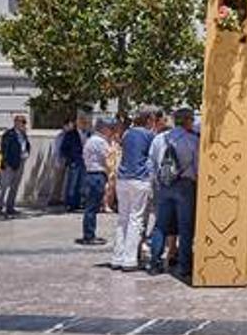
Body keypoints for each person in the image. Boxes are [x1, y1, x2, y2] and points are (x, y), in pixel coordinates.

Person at [148, 107, 199, 281]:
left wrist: (158, 181)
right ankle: (184, 266)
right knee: (185, 227)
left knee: (160, 225)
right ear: (187, 121)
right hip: (184, 185)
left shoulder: (159, 138)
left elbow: (151, 163)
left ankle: (154, 263)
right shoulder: (192, 140)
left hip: (164, 185)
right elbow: (197, 166)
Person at [111, 107, 158, 271]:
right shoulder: (149, 135)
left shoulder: (127, 134)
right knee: (136, 219)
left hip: (123, 178)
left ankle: (117, 257)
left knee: (122, 219)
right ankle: (129, 259)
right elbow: (152, 157)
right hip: (139, 179)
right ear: (148, 119)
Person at [76, 117, 112, 246]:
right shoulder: (101, 142)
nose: (111, 131)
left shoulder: (90, 140)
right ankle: (89, 235)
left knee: (90, 206)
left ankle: (89, 233)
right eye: (109, 128)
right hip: (97, 175)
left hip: (90, 173)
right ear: (104, 128)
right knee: (92, 207)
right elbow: (108, 158)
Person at [0, 114, 30, 218]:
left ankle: (10, 207)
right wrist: (5, 162)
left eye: (24, 122)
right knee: (4, 186)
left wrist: (27, 153)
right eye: (22, 122)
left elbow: (26, 145)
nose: (24, 124)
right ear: (16, 122)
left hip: (20, 161)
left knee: (15, 186)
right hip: (10, 164)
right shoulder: (9, 134)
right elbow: (5, 149)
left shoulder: (23, 134)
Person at [60, 112, 91, 212]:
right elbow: (64, 148)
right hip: (74, 162)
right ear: (78, 122)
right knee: (72, 183)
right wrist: (70, 159)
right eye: (82, 121)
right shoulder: (70, 134)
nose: (84, 124)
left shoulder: (89, 134)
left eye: (86, 122)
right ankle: (70, 203)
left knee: (82, 183)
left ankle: (79, 202)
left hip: (85, 162)